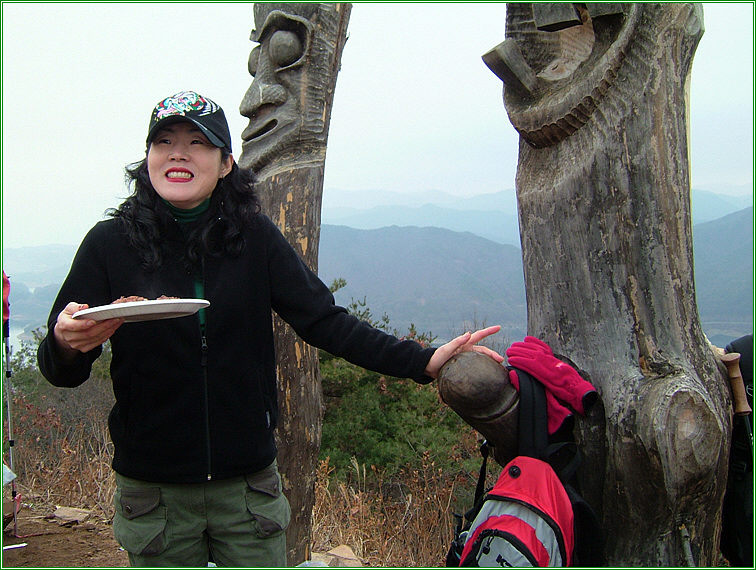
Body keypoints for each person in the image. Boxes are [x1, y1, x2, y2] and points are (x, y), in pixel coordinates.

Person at [36, 90, 503, 568]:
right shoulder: (109, 244)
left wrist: (421, 359)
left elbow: (324, 321)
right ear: (148, 159)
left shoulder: (253, 238)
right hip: (154, 492)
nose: (178, 152)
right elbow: (60, 368)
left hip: (247, 489)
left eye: (198, 141)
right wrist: (66, 343)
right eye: (164, 141)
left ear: (224, 165)